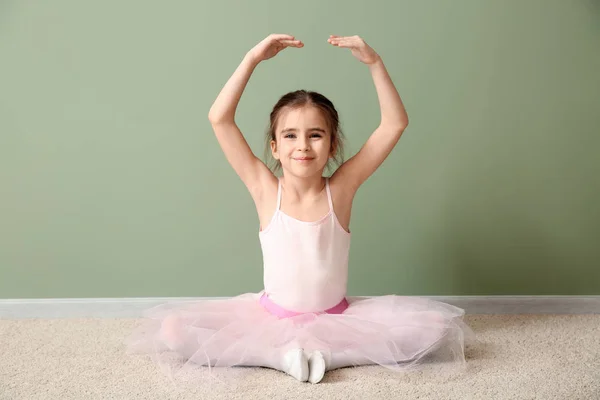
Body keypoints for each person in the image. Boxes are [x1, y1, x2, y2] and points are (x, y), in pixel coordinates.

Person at [125, 33, 476, 385]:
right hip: (269, 318)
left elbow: (394, 124)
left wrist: (375, 63)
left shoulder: (341, 188)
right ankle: (278, 357)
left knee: (436, 328)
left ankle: (331, 357)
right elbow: (220, 119)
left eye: (316, 135)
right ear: (275, 147)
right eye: (290, 136)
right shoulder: (265, 189)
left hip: (337, 318)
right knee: (173, 330)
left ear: (332, 144)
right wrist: (251, 59)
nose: (303, 146)